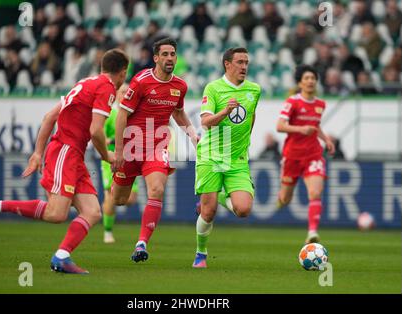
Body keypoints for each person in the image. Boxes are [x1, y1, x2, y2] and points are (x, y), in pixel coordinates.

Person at [0, 49, 130, 274]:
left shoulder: (85, 83)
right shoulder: (107, 88)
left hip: (72, 155)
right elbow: (96, 131)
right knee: (56, 213)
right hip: (65, 150)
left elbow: (50, 117)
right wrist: (107, 155)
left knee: (92, 212)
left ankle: (61, 256)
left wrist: (37, 153)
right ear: (122, 73)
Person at [111, 37, 199, 263]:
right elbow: (122, 114)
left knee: (157, 189)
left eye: (173, 54)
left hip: (157, 146)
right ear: (156, 58)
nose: (170, 58)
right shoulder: (141, 81)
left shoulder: (180, 85)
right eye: (165, 54)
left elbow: (178, 113)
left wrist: (192, 135)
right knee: (119, 199)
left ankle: (142, 243)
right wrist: (119, 151)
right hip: (131, 146)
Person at [193, 47, 261, 268]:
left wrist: (244, 144)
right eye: (240, 62)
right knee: (208, 212)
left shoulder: (254, 89)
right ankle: (201, 254)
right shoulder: (213, 88)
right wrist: (224, 112)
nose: (244, 66)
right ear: (227, 64)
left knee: (243, 210)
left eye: (246, 62)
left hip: (237, 160)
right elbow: (205, 121)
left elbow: (251, 116)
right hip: (211, 156)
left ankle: (218, 196)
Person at [276, 64, 335, 244]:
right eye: (306, 78)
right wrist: (301, 129)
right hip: (292, 155)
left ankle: (312, 233)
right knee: (286, 198)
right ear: (300, 82)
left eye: (313, 78)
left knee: (315, 192)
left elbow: (315, 126)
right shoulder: (292, 102)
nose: (310, 81)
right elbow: (279, 126)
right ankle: (281, 198)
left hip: (313, 154)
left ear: (316, 82)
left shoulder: (320, 104)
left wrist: (326, 140)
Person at [100, 84, 138, 244]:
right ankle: (107, 232)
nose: (126, 94)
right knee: (111, 194)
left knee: (130, 199)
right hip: (112, 158)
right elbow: (98, 132)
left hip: (130, 159)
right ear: (116, 94)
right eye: (123, 91)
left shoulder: (134, 113)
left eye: (128, 92)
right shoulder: (110, 113)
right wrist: (106, 141)